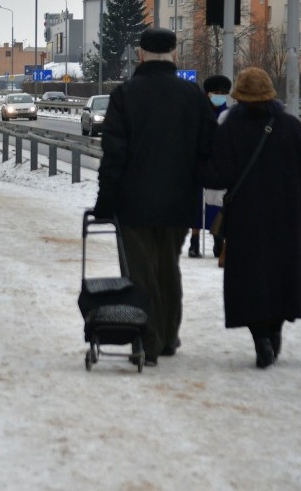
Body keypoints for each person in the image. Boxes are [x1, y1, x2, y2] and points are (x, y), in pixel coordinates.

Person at [93, 28, 217, 366]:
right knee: (168, 267)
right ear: (175, 55)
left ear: (140, 54)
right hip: (180, 202)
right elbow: (209, 151)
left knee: (140, 272)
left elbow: (114, 155)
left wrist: (106, 202)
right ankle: (168, 337)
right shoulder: (193, 96)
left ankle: (149, 341)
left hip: (133, 203)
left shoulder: (125, 95)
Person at [202, 67, 301, 369]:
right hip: (290, 218)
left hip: (247, 218)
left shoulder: (230, 127)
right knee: (284, 278)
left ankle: (260, 337)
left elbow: (217, 177)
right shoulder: (290, 126)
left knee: (250, 280)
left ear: (239, 97)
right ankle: (275, 331)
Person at [188, 74, 233, 259]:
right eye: (216, 92)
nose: (220, 96)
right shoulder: (199, 112)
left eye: (224, 93)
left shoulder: (229, 115)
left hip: (219, 165)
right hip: (200, 164)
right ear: (208, 93)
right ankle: (194, 240)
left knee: (218, 203)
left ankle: (218, 238)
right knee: (198, 202)